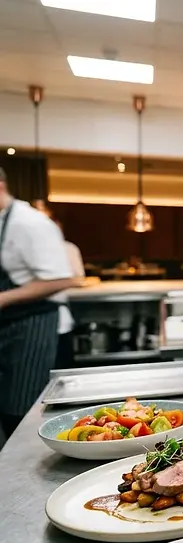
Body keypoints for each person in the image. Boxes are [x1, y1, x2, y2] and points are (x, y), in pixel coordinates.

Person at [0, 167, 76, 437]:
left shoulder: (29, 222)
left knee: (27, 419)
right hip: (11, 329)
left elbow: (60, 278)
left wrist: (3, 298)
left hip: (37, 330)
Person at [52, 218, 86, 369]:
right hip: (27, 323)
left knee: (62, 366)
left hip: (58, 317)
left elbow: (79, 278)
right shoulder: (28, 249)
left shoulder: (69, 249)